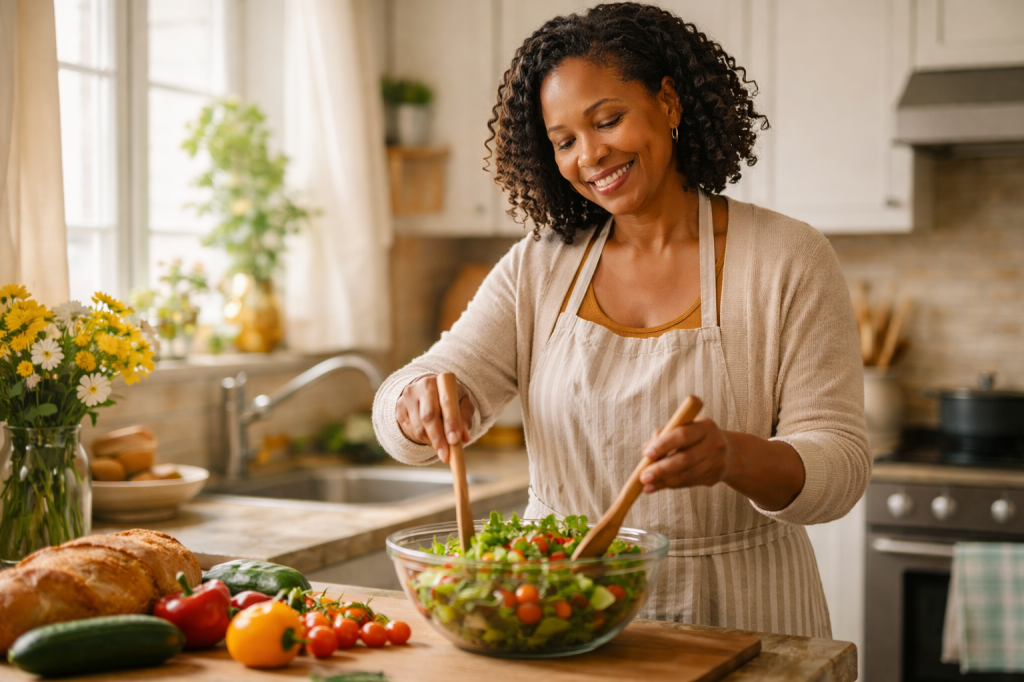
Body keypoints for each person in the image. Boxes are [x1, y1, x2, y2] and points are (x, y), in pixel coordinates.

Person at [372, 2, 869, 638]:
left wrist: (732, 458)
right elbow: (410, 402)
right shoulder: (541, 267)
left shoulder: (786, 257)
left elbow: (841, 467)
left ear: (668, 102)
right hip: (558, 610)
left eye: (608, 120)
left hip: (746, 614)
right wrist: (417, 401)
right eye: (565, 141)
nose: (591, 155)